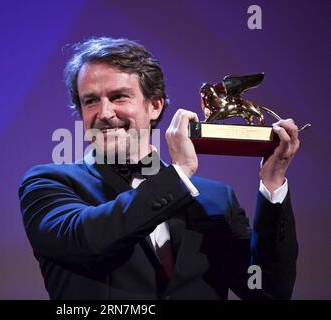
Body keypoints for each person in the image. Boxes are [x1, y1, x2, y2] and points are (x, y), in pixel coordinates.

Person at [18, 37, 299, 300]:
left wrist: (273, 183)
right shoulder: (48, 183)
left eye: (119, 97)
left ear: (154, 106)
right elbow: (87, 240)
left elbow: (268, 290)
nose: (104, 113)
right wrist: (177, 174)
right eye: (90, 100)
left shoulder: (216, 198)